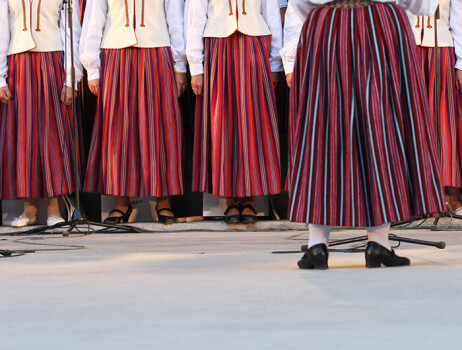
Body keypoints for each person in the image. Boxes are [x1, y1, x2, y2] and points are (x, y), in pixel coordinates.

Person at [281, 0, 446, 270]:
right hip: (381, 24)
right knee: (383, 125)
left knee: (322, 126)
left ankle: (316, 245)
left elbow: (301, 4)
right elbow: (422, 5)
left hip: (327, 24)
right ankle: (378, 242)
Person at [80, 0, 187, 225]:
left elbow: (175, 20)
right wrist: (92, 68)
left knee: (160, 127)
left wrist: (179, 67)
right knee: (119, 130)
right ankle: (122, 201)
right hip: (116, 56)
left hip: (157, 53)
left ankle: (163, 200)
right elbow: (94, 20)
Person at [188, 0, 283, 225]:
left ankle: (249, 198)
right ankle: (230, 198)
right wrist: (196, 66)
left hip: (254, 46)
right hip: (218, 48)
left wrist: (275, 63)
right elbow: (195, 20)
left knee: (253, 123)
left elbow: (272, 17)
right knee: (223, 123)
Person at [0, 0, 83, 228]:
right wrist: (0, 76)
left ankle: (55, 207)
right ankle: (29, 208)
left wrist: (70, 78)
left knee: (53, 134)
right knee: (24, 136)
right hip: (19, 63)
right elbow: (1, 28)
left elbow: (70, 32)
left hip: (51, 61)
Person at [409, 0, 462, 217]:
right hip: (407, 49)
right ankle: (415, 198)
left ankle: (453, 196)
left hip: (441, 49)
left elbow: (460, 19)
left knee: (446, 123)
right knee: (410, 124)